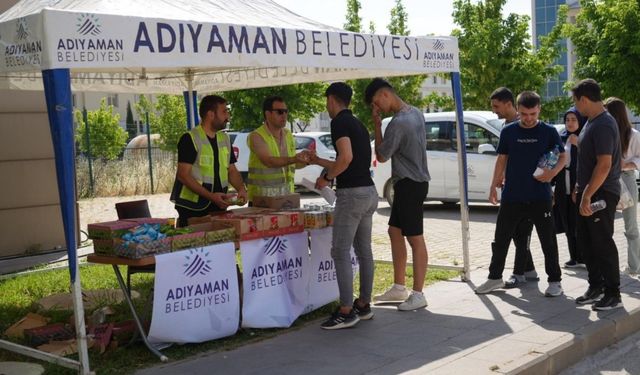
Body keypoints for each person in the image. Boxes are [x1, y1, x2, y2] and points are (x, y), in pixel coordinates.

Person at [475, 91, 565, 297]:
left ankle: (555, 281)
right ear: (518, 109)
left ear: (539, 109)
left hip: (540, 196)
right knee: (501, 239)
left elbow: (563, 156)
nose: (529, 118)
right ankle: (494, 278)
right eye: (524, 114)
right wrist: (493, 185)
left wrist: (552, 173)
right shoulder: (509, 131)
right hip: (512, 195)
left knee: (548, 240)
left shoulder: (549, 131)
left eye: (533, 114)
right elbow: (501, 159)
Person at [311, 82, 378, 330]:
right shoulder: (357, 123)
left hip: (351, 195)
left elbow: (346, 158)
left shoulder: (338, 122)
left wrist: (326, 178)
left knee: (340, 252)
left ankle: (346, 310)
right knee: (364, 251)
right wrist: (318, 160)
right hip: (369, 192)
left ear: (331, 100)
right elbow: (347, 158)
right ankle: (364, 304)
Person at [365, 78, 430, 311]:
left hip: (409, 184)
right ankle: (399, 286)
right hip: (414, 182)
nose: (377, 108)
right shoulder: (416, 113)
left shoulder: (397, 123)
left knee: (415, 238)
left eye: (376, 103)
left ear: (385, 95)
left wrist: (376, 123)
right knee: (394, 231)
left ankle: (419, 293)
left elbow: (381, 155)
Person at [572, 79, 623, 311]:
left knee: (602, 243)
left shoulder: (603, 124)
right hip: (589, 190)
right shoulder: (591, 122)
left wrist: (587, 195)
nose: (576, 107)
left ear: (583, 99)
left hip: (601, 191)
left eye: (576, 101)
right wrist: (579, 188)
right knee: (587, 242)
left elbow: (604, 165)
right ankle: (596, 287)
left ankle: (613, 293)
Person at [170, 95, 247, 227]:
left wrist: (241, 189)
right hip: (192, 209)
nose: (228, 117)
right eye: (224, 112)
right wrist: (211, 196)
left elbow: (231, 170)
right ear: (211, 114)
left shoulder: (224, 138)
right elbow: (183, 175)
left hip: (218, 206)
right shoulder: (190, 138)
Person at [490, 87, 539, 288]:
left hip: (528, 189)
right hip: (511, 188)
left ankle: (519, 273)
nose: (494, 110)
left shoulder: (528, 125)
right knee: (514, 232)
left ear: (509, 104)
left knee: (520, 232)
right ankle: (529, 270)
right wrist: (498, 180)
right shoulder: (507, 127)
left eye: (496, 106)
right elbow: (504, 158)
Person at [246, 96, 309, 203]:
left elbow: (292, 164)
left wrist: (306, 160)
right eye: (279, 112)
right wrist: (295, 159)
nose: (284, 115)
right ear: (267, 114)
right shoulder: (256, 135)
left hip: (286, 197)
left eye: (286, 111)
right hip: (262, 200)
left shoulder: (288, 135)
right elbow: (269, 161)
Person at [605, 97, 640, 275]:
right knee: (605, 224)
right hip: (606, 179)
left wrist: (625, 164)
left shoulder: (633, 134)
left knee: (631, 225)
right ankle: (609, 267)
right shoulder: (605, 131)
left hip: (626, 178)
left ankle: (634, 266)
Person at [553, 107, 587, 268]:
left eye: (574, 119)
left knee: (578, 223)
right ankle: (574, 256)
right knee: (566, 222)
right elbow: (553, 160)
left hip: (577, 184)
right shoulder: (560, 138)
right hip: (562, 183)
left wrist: (579, 144)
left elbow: (589, 161)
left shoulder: (585, 137)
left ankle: (583, 257)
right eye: (567, 120)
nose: (570, 123)